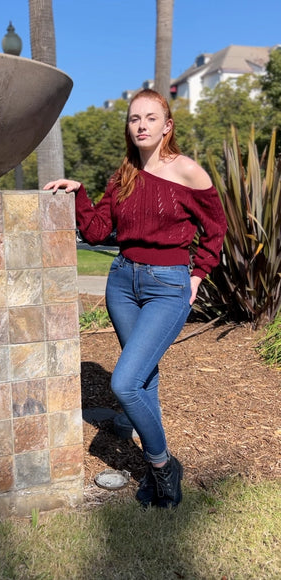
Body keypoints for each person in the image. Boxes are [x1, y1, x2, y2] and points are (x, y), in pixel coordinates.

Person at [44, 88, 227, 508]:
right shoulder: (123, 175)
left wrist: (198, 274)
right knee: (144, 380)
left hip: (168, 286)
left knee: (124, 382)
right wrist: (78, 194)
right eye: (134, 118)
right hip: (122, 283)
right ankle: (155, 469)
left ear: (167, 126)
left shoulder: (188, 172)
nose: (141, 125)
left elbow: (216, 228)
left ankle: (163, 466)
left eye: (150, 117)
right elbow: (94, 232)